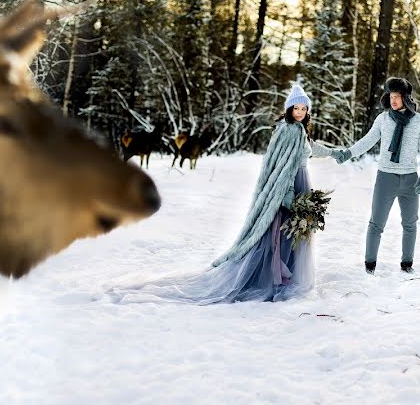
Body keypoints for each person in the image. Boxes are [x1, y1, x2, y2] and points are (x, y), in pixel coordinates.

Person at [113, 84, 334, 303]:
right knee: (281, 233)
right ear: (288, 109)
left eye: (304, 109)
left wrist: (339, 154)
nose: (300, 112)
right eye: (296, 108)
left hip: (300, 184)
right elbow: (282, 170)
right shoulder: (288, 130)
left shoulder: (298, 131)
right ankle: (274, 278)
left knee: (290, 234)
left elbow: (309, 147)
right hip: (290, 188)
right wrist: (288, 198)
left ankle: (287, 275)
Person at [331, 77, 420, 274]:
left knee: (410, 223)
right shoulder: (383, 119)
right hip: (386, 178)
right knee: (376, 223)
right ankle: (369, 265)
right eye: (391, 96)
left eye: (398, 96)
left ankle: (407, 264)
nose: (393, 100)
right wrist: (348, 153)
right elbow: (368, 140)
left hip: (410, 178)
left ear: (406, 98)